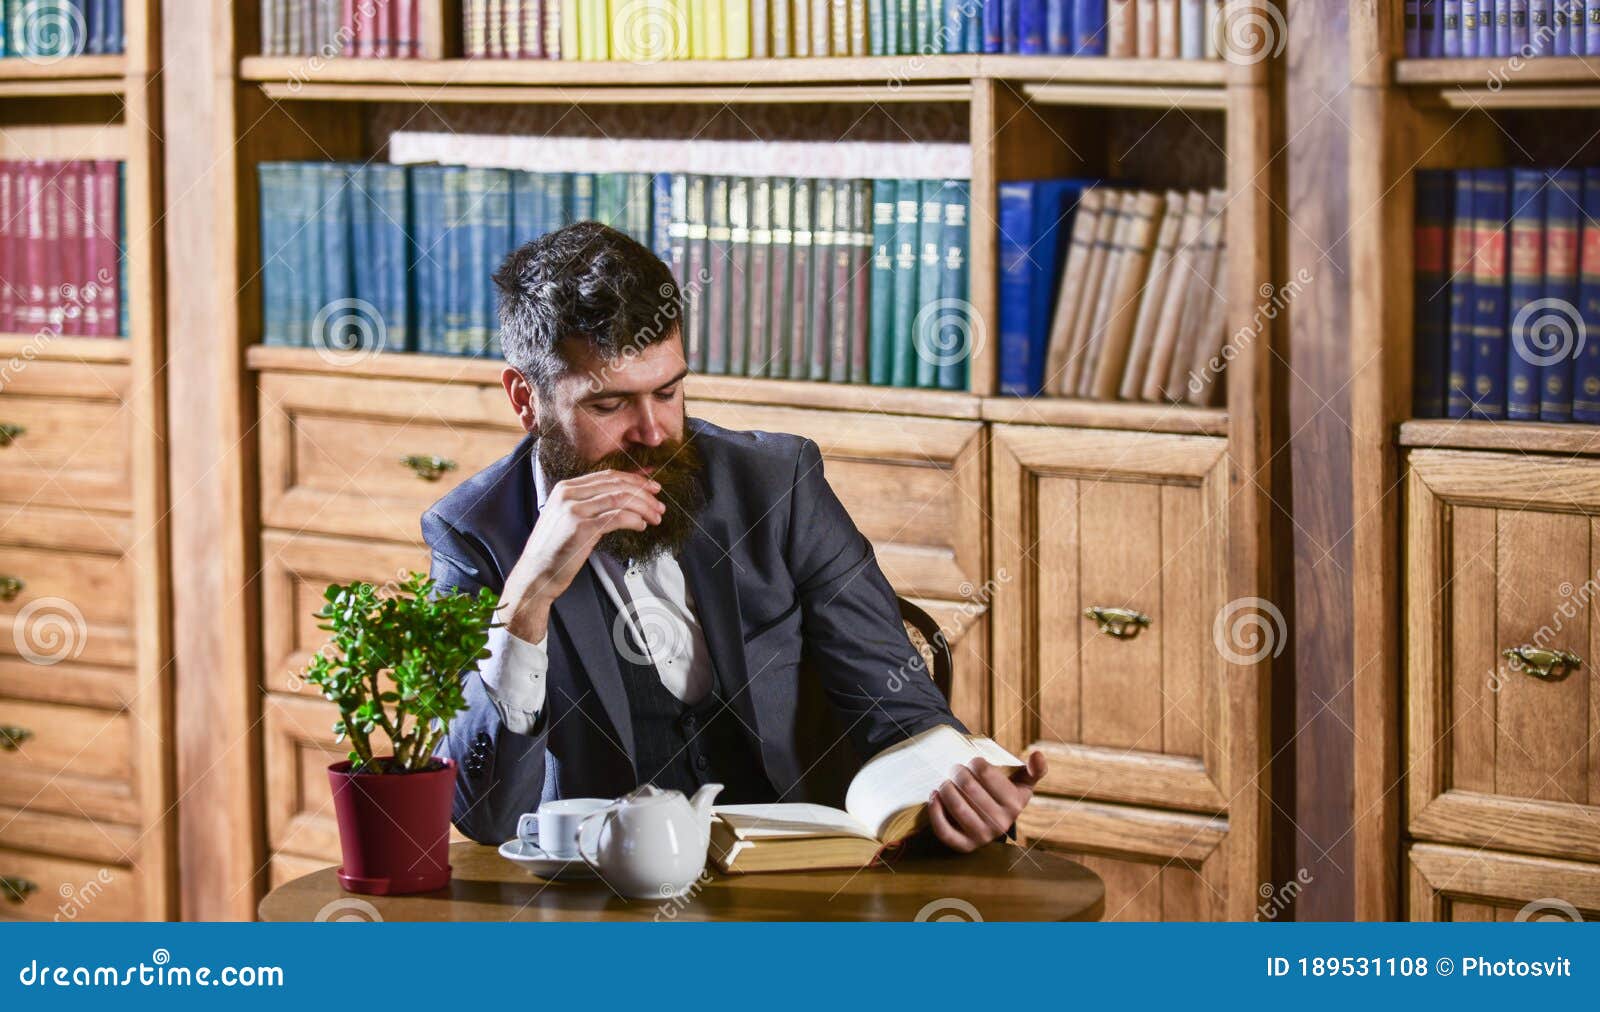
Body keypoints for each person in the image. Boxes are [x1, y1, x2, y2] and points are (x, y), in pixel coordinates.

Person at [425, 221, 1046, 852]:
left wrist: (959, 793)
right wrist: (526, 600)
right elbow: (487, 817)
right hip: (601, 904)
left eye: (667, 392)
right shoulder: (473, 534)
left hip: (800, 883)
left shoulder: (778, 487)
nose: (653, 432)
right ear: (525, 398)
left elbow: (901, 711)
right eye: (608, 406)